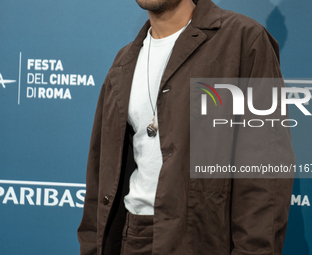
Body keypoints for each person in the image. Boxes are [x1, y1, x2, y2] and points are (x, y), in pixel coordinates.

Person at [78, 0, 295, 254]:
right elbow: (100, 174)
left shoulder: (244, 41)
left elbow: (264, 174)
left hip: (200, 240)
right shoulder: (123, 63)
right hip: (131, 236)